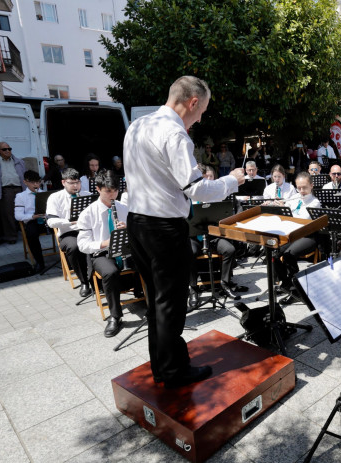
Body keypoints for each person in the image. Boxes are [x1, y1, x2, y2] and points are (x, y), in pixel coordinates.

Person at [123, 76, 245, 388]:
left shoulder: (137, 125)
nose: (201, 117)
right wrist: (233, 180)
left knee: (157, 302)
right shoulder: (174, 132)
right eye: (202, 110)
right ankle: (174, 372)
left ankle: (163, 366)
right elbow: (197, 190)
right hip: (163, 227)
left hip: (138, 223)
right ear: (192, 103)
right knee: (171, 303)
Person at [76, 170, 131, 337]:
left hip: (125, 249)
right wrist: (104, 243)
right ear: (98, 189)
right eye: (108, 191)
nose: (112, 195)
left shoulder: (124, 208)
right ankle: (115, 316)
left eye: (115, 191)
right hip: (101, 253)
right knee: (110, 272)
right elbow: (82, 245)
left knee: (150, 261)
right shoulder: (88, 213)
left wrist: (128, 230)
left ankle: (152, 305)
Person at [188, 165, 246, 307]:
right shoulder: (190, 196)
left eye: (211, 177)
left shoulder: (219, 196)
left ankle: (225, 284)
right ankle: (193, 289)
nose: (208, 180)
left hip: (213, 236)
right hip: (194, 237)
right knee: (190, 253)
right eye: (205, 177)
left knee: (229, 250)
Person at [271, 172, 322, 304]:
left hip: (308, 236)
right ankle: (286, 284)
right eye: (298, 188)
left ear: (311, 185)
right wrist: (280, 208)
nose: (301, 191)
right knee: (274, 253)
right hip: (293, 235)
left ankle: (296, 290)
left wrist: (286, 209)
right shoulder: (294, 198)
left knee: (289, 255)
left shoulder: (315, 202)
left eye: (304, 187)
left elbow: (303, 219)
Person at [47, 168, 93, 297]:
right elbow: (50, 221)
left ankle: (97, 279)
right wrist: (70, 221)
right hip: (68, 233)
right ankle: (84, 281)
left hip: (86, 230)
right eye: (71, 183)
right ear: (63, 182)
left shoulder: (87, 194)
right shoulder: (55, 197)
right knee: (74, 247)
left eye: (77, 182)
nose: (76, 186)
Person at [0, 141, 25, 243]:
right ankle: (11, 237)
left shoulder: (19, 161)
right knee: (8, 214)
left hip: (20, 189)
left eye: (9, 149)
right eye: (4, 149)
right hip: (5, 190)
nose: (8, 151)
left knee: (24, 211)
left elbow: (24, 175)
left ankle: (26, 233)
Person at [14, 170, 47, 273]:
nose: (36, 185)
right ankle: (40, 262)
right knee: (31, 234)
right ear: (25, 182)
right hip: (32, 220)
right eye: (33, 182)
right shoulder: (21, 196)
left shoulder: (44, 193)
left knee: (63, 229)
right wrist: (33, 216)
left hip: (46, 219)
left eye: (38, 182)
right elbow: (18, 215)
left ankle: (68, 260)